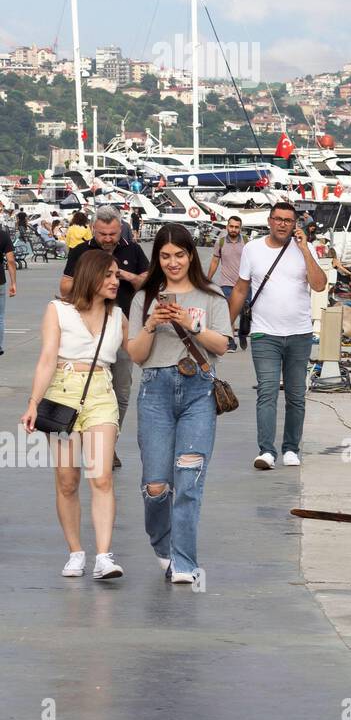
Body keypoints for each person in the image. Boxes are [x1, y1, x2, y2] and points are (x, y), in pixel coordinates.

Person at [126, 223, 233, 584]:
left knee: (189, 481)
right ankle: (162, 544)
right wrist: (152, 325)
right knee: (156, 485)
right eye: (166, 256)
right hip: (155, 392)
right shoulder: (145, 298)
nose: (173, 262)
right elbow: (137, 356)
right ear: (157, 258)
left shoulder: (211, 295)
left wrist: (192, 324)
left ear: (191, 256)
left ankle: (184, 562)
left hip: (198, 394)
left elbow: (222, 346)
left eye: (180, 255)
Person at [21, 248, 127, 580]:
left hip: (100, 395)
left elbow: (139, 351)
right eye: (108, 275)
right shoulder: (58, 310)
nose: (115, 281)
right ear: (91, 276)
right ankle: (75, 551)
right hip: (62, 393)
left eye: (117, 275)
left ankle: (104, 556)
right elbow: (47, 358)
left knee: (101, 476)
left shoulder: (118, 316)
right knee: (68, 482)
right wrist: (33, 402)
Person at [228, 201, 326, 470]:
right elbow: (240, 289)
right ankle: (267, 451)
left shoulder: (304, 249)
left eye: (288, 220)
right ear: (269, 221)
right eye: (278, 219)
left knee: (296, 395)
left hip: (299, 333)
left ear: (295, 224)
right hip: (264, 333)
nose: (283, 223)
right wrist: (226, 325)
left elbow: (319, 285)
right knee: (267, 392)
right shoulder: (252, 249)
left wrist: (305, 249)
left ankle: (291, 448)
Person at [61, 206, 149, 470]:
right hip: (87, 330)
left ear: (120, 229)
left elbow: (148, 281)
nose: (108, 239)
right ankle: (88, 441)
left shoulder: (132, 250)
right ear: (93, 229)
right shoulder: (81, 251)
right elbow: (64, 287)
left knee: (121, 390)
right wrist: (93, 279)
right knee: (86, 388)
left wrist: (125, 275)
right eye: (103, 234)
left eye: (113, 233)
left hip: (123, 329)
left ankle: (108, 444)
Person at [207, 215, 250, 350]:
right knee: (229, 313)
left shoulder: (246, 241)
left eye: (236, 227)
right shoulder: (220, 242)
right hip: (226, 283)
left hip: (245, 283)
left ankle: (243, 333)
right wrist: (207, 279)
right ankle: (231, 343)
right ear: (227, 227)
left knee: (246, 313)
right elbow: (215, 261)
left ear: (240, 229)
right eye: (231, 226)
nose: (233, 229)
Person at [0, 222, 15, 355]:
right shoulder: (3, 236)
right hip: (0, 280)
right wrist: (13, 283)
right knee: (0, 316)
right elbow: (10, 261)